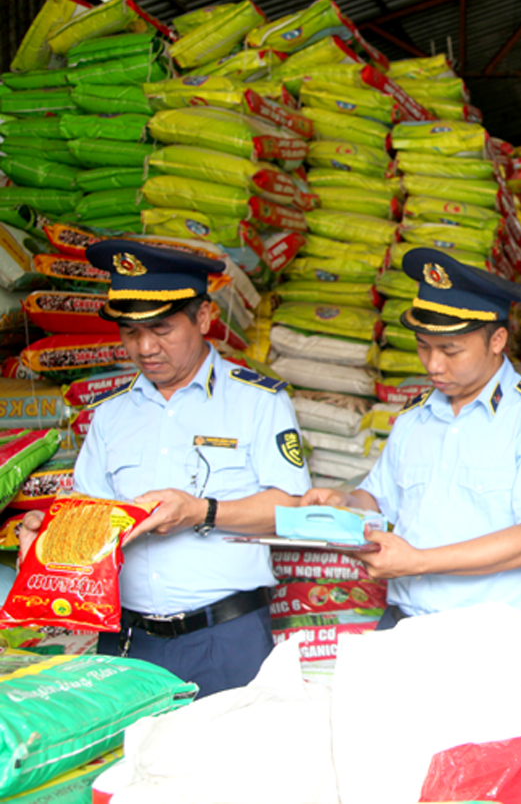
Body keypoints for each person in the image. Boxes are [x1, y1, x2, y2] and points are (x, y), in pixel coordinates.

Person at [19, 240, 310, 697]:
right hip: (128, 641)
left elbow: (293, 509)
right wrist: (48, 534)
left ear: (204, 318)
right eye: (131, 333)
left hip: (227, 638)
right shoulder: (110, 414)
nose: (146, 347)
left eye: (161, 328)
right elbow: (88, 515)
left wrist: (201, 512)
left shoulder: (258, 401)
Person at [301, 248, 521, 626]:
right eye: (423, 346)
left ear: (497, 340)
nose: (433, 365)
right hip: (403, 624)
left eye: (450, 350)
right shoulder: (414, 416)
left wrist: (418, 562)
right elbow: (379, 497)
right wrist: (345, 500)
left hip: (492, 636)